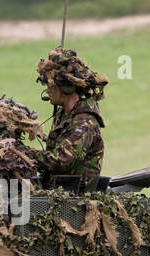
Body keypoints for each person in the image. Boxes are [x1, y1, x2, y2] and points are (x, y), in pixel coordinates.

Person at [33, 47, 107, 191]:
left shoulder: (84, 122)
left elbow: (61, 160)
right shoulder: (63, 114)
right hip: (58, 191)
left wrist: (23, 153)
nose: (48, 91)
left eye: (51, 87)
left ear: (66, 89)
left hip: (76, 201)